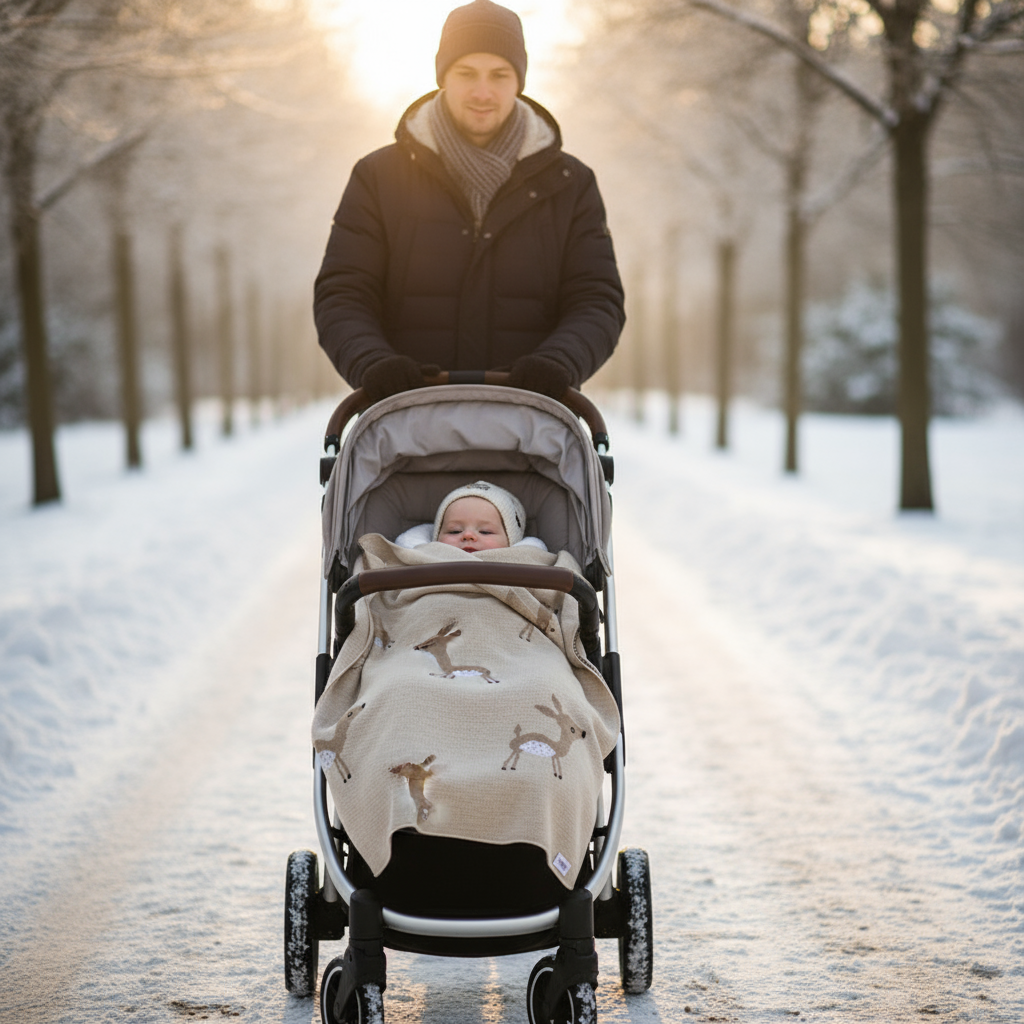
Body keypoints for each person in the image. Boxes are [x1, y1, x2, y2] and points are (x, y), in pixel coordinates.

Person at [313, 0, 625, 404]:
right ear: (443, 77)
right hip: (405, 421)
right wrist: (373, 363)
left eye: (499, 74)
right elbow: (344, 292)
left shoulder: (570, 183)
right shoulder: (378, 177)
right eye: (466, 73)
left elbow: (596, 297)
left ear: (519, 81)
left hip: (531, 421)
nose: (483, 91)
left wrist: (559, 363)